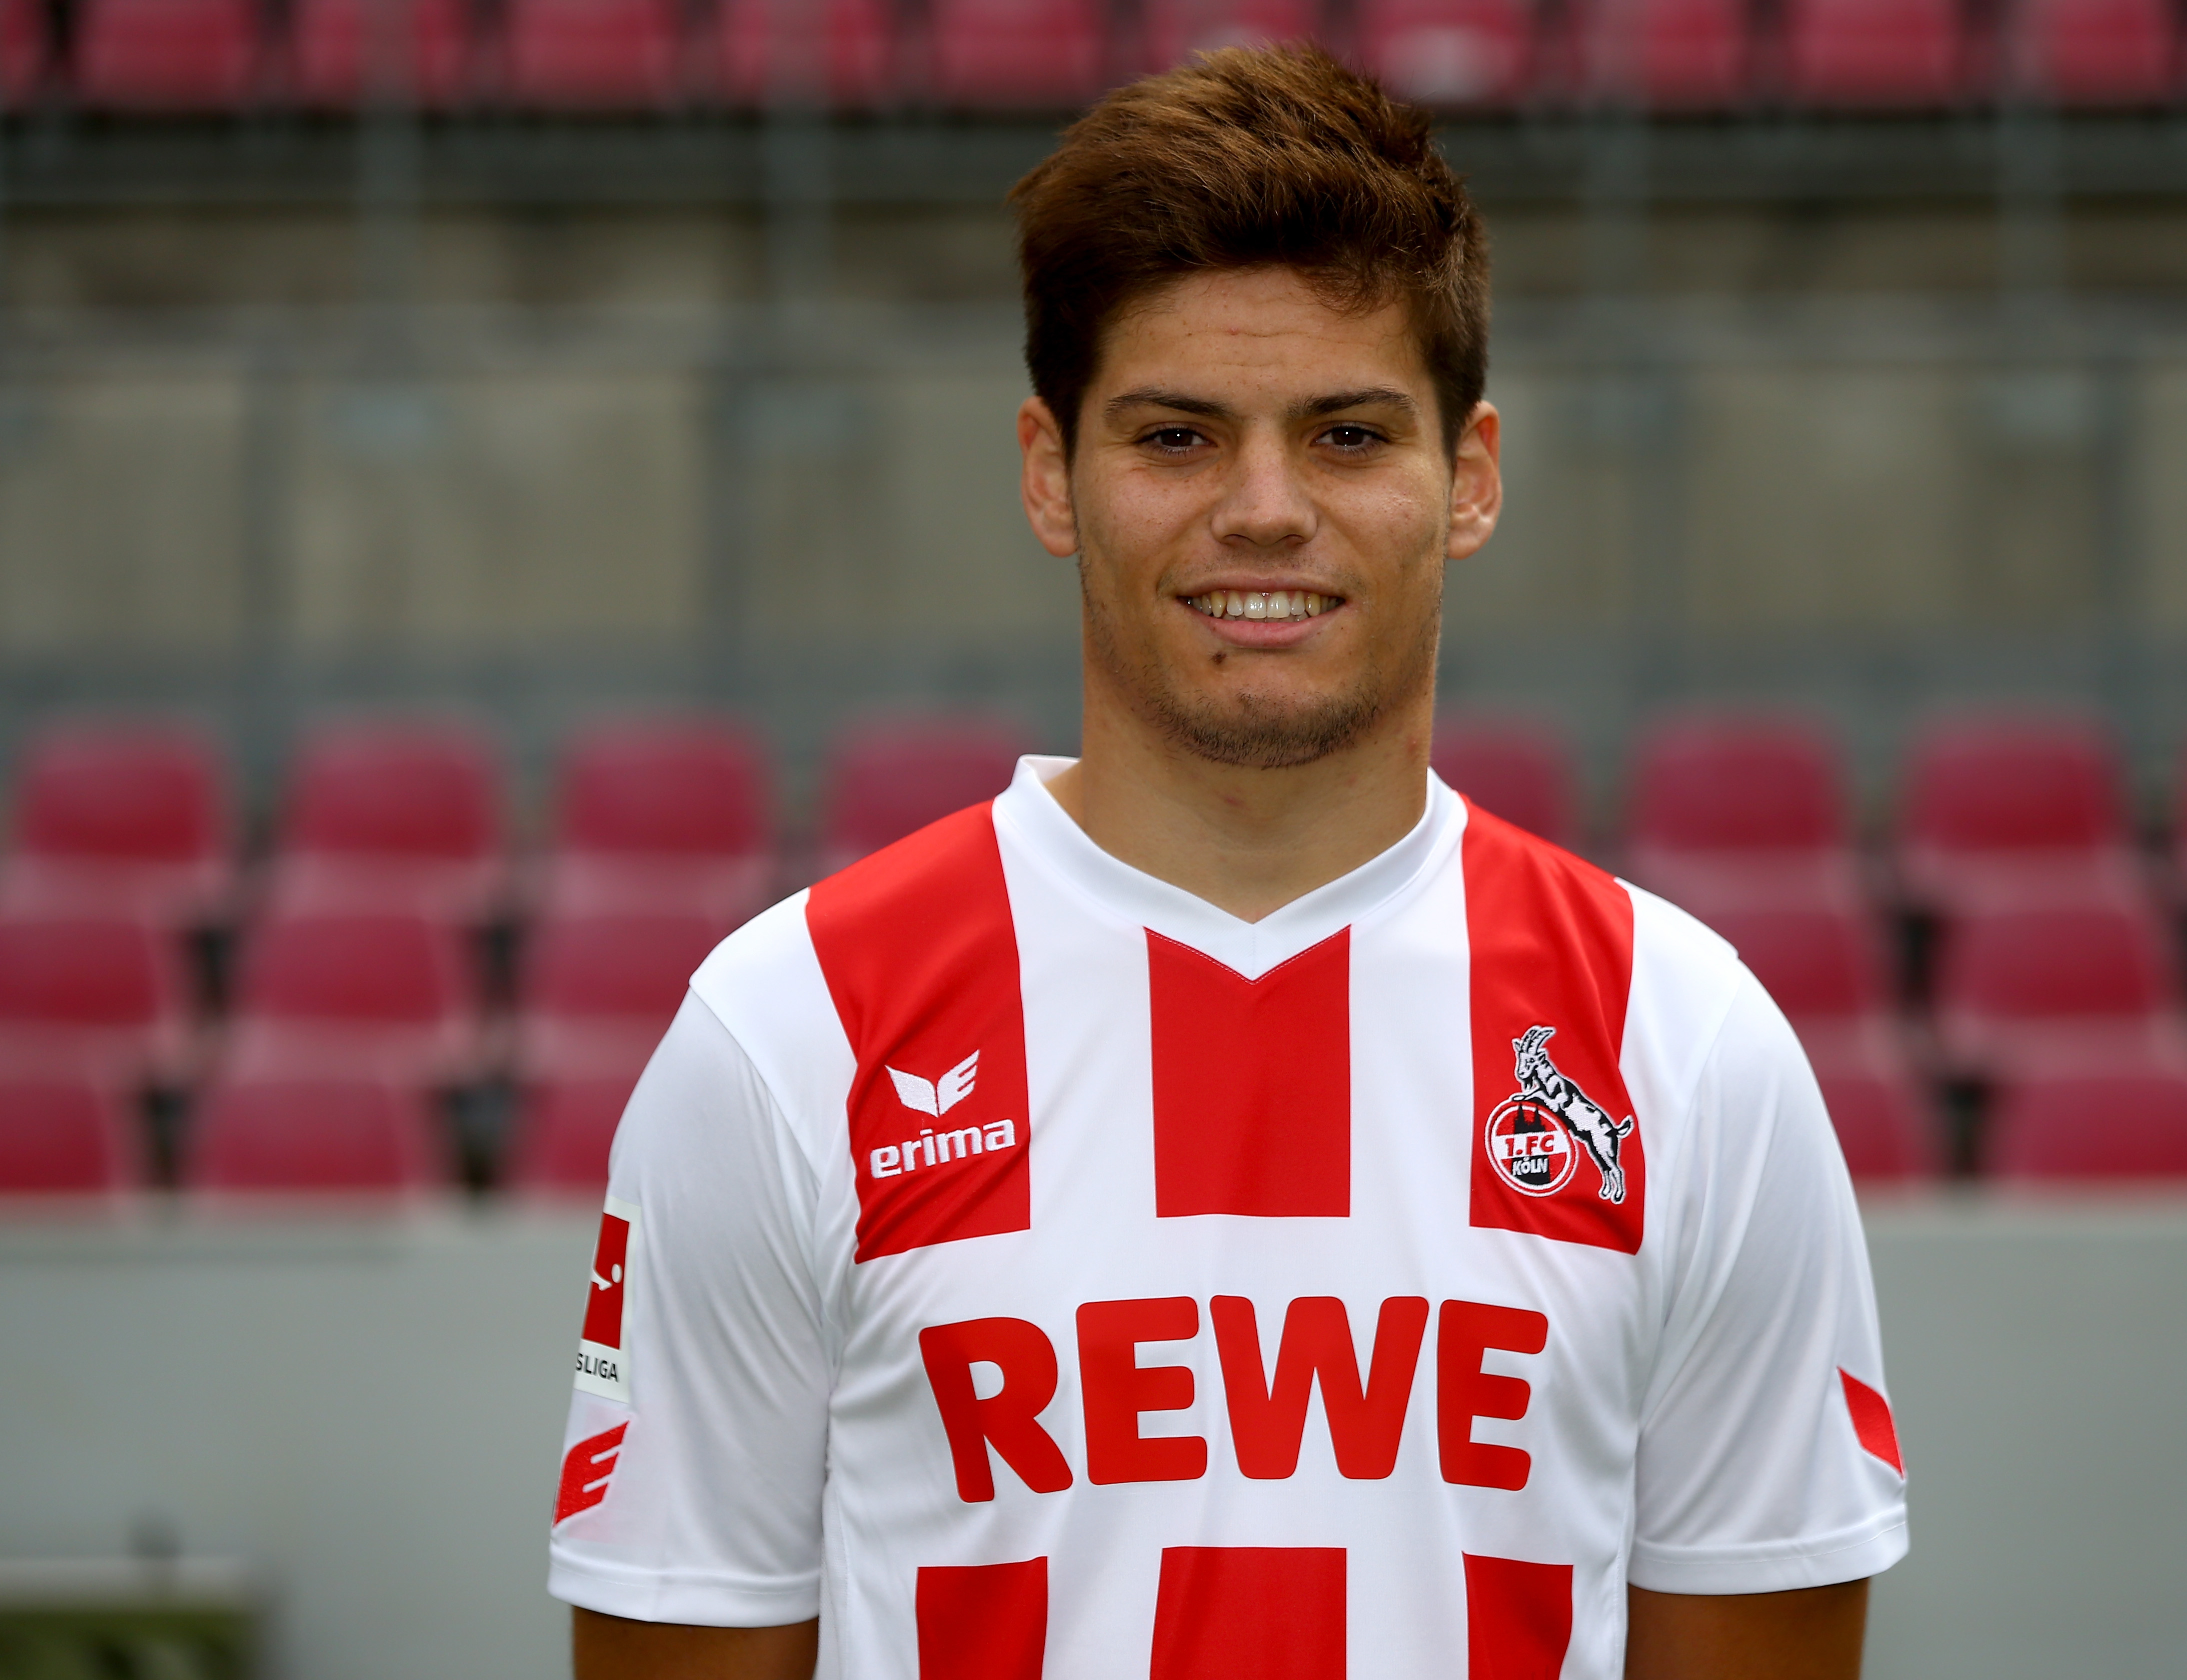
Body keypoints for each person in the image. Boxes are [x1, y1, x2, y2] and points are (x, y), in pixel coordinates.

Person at [550, 43, 1906, 1680]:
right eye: (1177, 438)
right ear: (1053, 475)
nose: (1264, 512)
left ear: (1465, 478)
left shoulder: (1678, 1046)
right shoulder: (792, 1036)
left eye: (1344, 436)